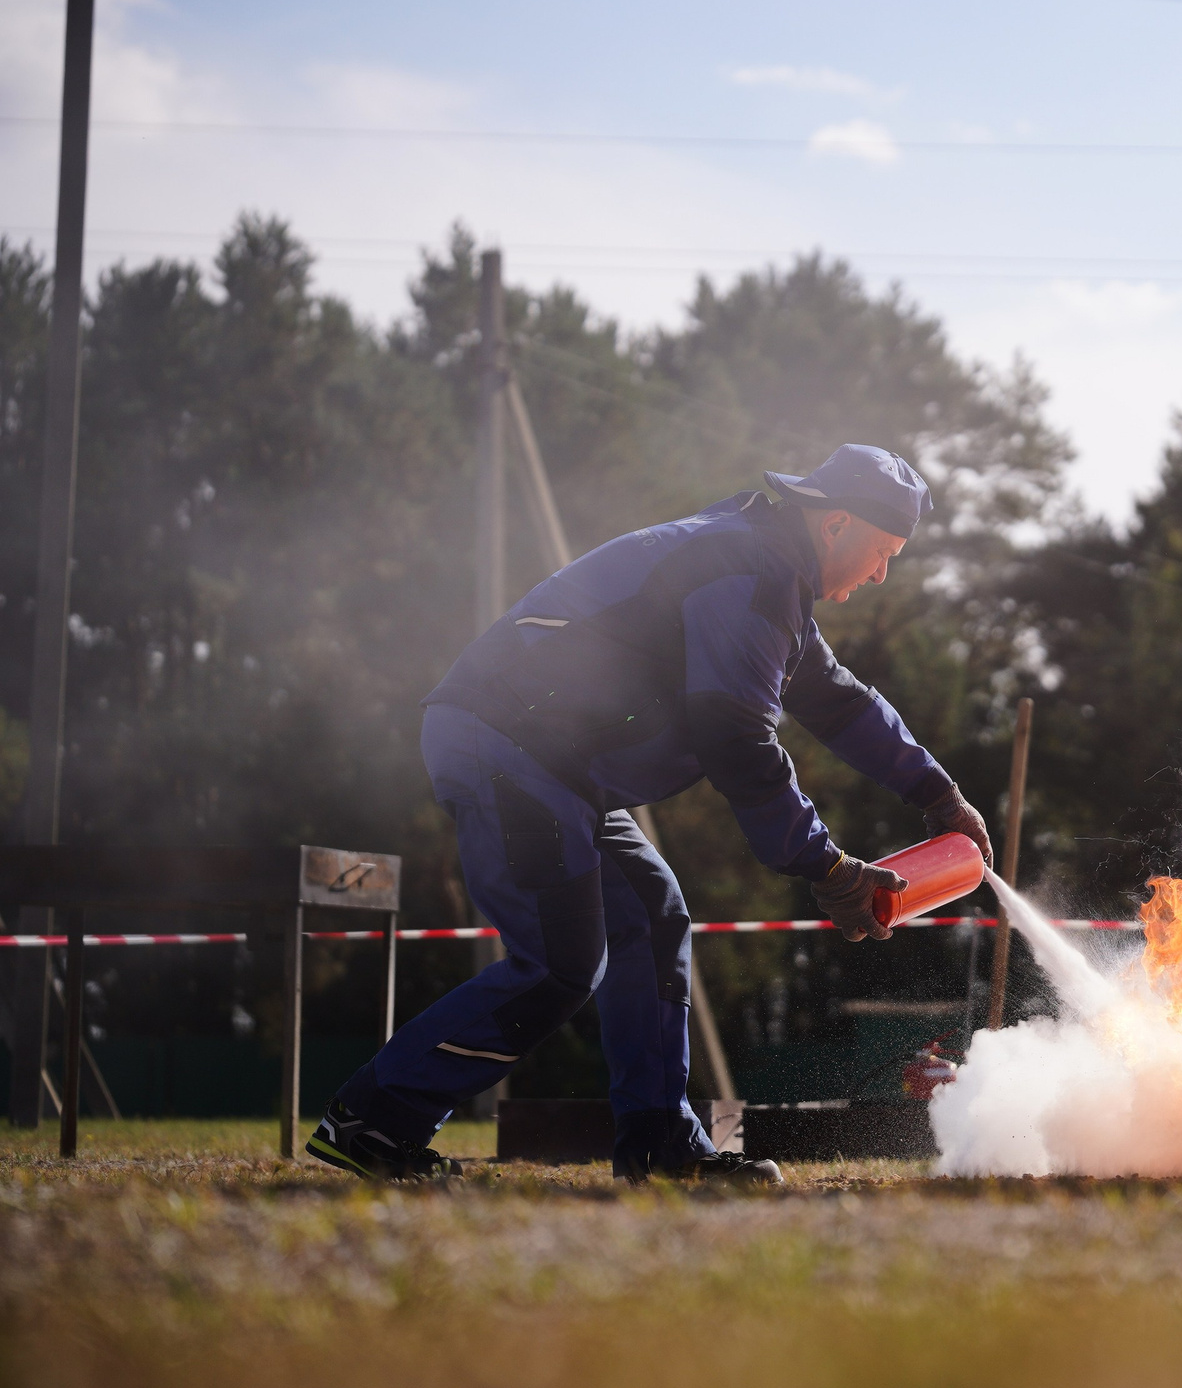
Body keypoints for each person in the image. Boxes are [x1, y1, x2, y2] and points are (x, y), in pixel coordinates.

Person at [307, 445, 993, 1184]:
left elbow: (838, 700)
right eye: (883, 551)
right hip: (505, 744)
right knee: (562, 962)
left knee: (649, 912)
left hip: (557, 768)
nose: (882, 572)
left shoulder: (767, 575)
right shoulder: (750, 575)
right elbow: (735, 741)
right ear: (834, 525)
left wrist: (937, 792)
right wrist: (823, 864)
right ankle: (373, 1119)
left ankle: (662, 1145)